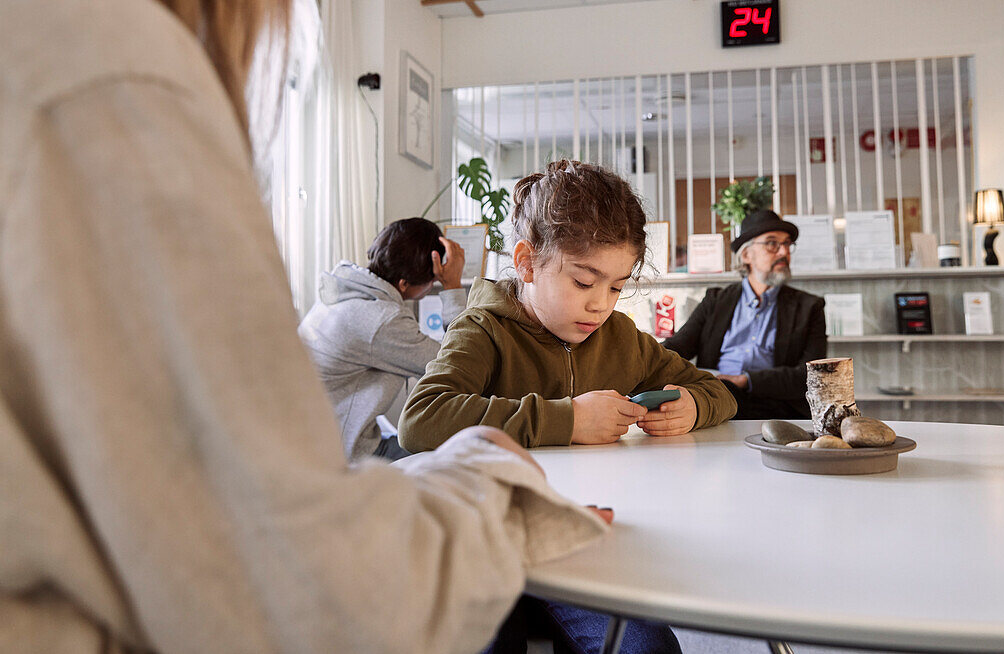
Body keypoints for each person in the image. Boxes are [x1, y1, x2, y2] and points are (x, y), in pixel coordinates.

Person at [0, 0, 609, 653]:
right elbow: (300, 588)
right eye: (583, 279)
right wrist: (492, 469)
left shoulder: (346, 298)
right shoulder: (101, 59)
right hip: (349, 464)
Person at [401, 160, 738, 654]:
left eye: (617, 287)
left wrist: (692, 404)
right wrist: (569, 418)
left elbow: (718, 391)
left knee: (649, 649)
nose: (601, 304)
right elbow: (422, 419)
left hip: (586, 543)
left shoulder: (621, 337)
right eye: (584, 282)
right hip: (487, 545)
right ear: (527, 262)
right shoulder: (483, 330)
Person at [298, 218, 466, 462]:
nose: (433, 285)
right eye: (432, 282)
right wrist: (452, 286)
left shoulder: (345, 292)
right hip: (343, 455)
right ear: (404, 284)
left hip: (315, 442)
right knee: (457, 462)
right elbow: (459, 365)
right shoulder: (382, 320)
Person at [663, 209, 827, 421]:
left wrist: (745, 380)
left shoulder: (809, 307)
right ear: (747, 255)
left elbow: (811, 374)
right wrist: (645, 362)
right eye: (772, 243)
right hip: (718, 397)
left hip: (777, 406)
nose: (783, 252)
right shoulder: (715, 301)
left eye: (786, 244)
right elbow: (677, 347)